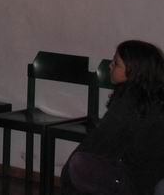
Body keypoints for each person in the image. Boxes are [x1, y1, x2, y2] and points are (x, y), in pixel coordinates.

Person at [60, 40, 164, 195]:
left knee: (79, 164)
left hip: (137, 182)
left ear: (134, 71)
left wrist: (66, 175)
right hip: (149, 179)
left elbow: (99, 142)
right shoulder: (153, 96)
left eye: (116, 63)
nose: (110, 66)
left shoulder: (129, 100)